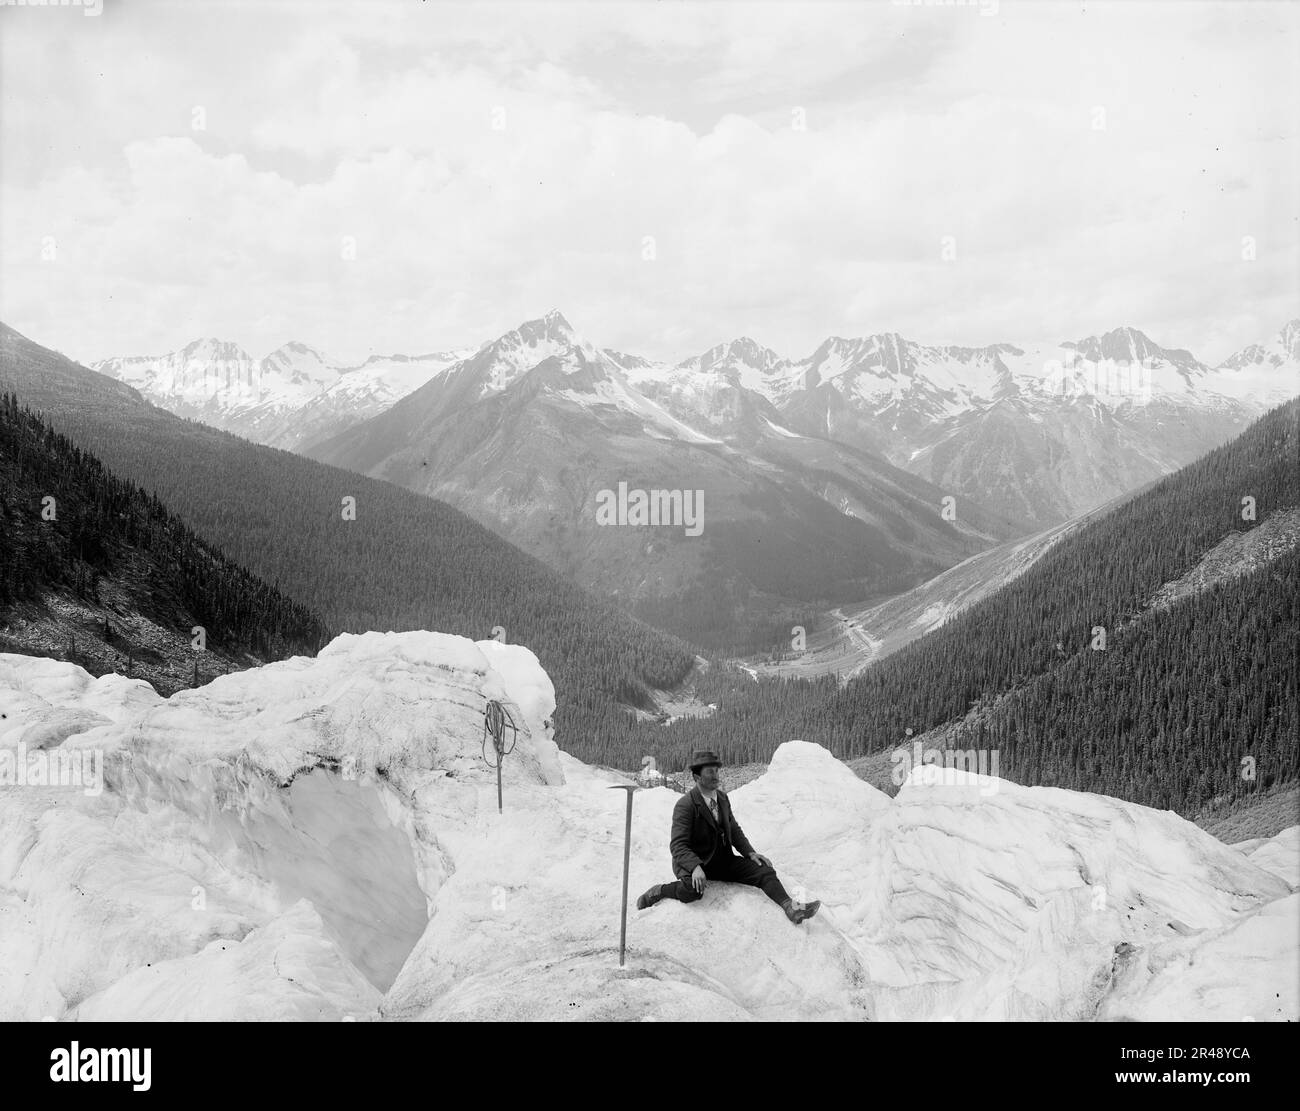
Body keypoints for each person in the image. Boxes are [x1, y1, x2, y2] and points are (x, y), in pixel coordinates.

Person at [635, 749, 820, 925]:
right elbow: (678, 845)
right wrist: (695, 867)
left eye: (716, 770)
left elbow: (733, 828)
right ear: (697, 777)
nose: (716, 775)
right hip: (696, 863)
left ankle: (791, 908)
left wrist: (750, 853)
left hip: (721, 861)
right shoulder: (686, 805)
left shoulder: (722, 798)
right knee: (692, 891)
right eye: (710, 772)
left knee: (763, 869)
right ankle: (659, 891)